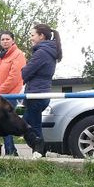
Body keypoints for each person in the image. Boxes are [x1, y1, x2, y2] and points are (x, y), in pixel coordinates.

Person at [21, 23, 61, 157]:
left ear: (41, 36)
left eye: (32, 35)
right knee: (32, 126)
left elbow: (25, 73)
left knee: (25, 126)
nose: (31, 38)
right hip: (42, 94)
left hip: (36, 95)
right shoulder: (49, 51)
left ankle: (39, 149)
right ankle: (40, 153)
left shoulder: (41, 53)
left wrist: (23, 70)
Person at [0, 31, 26, 156]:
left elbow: (14, 78)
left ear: (13, 40)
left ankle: (11, 151)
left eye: (7, 39)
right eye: (2, 39)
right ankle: (9, 150)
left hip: (10, 95)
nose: (5, 41)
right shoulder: (0, 57)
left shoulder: (18, 55)